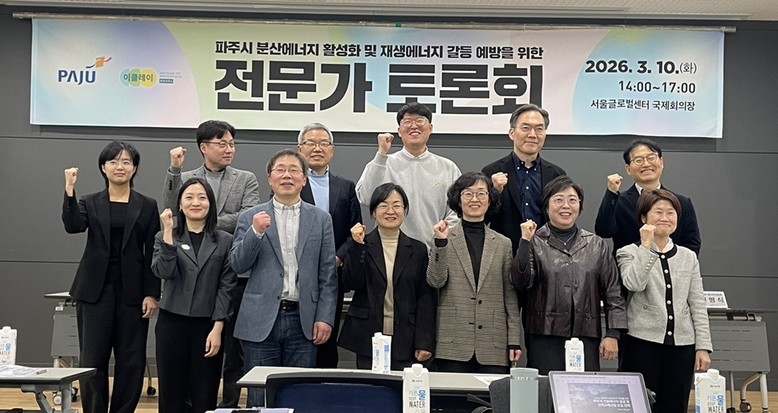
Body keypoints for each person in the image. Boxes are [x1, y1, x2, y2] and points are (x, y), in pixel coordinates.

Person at [162, 120, 260, 407]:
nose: (229, 149)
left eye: (231, 144)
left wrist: (204, 222)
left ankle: (228, 404)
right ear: (204, 147)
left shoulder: (246, 178)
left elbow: (246, 216)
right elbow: (171, 210)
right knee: (184, 367)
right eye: (222, 144)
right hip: (189, 277)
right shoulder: (187, 177)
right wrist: (174, 170)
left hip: (233, 270)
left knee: (232, 350)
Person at [230, 150, 337, 407]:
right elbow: (238, 265)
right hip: (260, 319)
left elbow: (327, 274)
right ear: (270, 178)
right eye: (280, 169)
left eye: (293, 170)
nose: (287, 175)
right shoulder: (251, 217)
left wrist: (324, 317)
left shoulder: (321, 219)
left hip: (303, 319)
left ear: (304, 180)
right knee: (259, 395)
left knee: (299, 394)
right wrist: (255, 232)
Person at [62, 141, 160, 413]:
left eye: (126, 162)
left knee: (131, 360)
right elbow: (73, 226)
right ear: (103, 168)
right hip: (94, 291)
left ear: (134, 168)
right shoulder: (89, 201)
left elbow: (152, 250)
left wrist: (151, 293)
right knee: (92, 359)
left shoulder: (147, 204)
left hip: (133, 293)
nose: (120, 167)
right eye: (114, 161)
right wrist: (69, 190)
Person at [510, 176, 627, 375]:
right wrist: (524, 242)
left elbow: (613, 291)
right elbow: (521, 282)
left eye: (572, 200)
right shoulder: (534, 242)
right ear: (547, 206)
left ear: (579, 206)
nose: (566, 205)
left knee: (584, 391)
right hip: (544, 335)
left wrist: (613, 333)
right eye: (558, 200)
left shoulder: (596, 244)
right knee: (547, 390)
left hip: (586, 335)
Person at [616, 189, 712, 413]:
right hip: (641, 343)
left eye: (671, 212)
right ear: (644, 217)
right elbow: (634, 283)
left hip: (682, 346)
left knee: (676, 406)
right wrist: (646, 247)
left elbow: (697, 303)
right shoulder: (628, 252)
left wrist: (703, 347)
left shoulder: (688, 256)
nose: (665, 217)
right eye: (658, 212)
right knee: (640, 405)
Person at [151, 178, 237, 413]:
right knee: (171, 393)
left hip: (207, 325)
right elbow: (164, 271)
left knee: (204, 393)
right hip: (171, 323)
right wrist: (168, 233)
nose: (195, 203)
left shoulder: (225, 240)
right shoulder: (164, 236)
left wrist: (218, 327)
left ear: (211, 204)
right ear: (180, 204)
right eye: (189, 197)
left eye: (202, 197)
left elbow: (226, 287)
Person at [427, 172, 521, 373]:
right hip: (452, 343)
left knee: (493, 394)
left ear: (490, 199)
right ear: (458, 200)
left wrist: (514, 339)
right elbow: (435, 281)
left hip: (493, 344)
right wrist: (440, 243)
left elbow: (510, 295)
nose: (474, 199)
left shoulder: (503, 244)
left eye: (481, 193)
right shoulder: (444, 237)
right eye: (468, 194)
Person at [338, 183, 436, 370]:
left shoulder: (418, 249)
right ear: (374, 212)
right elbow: (351, 283)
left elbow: (425, 298)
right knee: (370, 387)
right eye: (383, 205)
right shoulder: (361, 244)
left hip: (406, 338)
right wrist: (357, 247)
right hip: (367, 337)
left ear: (404, 211)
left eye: (396, 205)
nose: (390, 211)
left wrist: (424, 341)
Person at [296, 122, 362, 368]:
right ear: (300, 149)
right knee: (298, 338)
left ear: (332, 150)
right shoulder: (290, 183)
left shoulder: (346, 186)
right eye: (311, 143)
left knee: (326, 339)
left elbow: (355, 230)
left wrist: (338, 258)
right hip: (297, 274)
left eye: (323, 143)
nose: (317, 148)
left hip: (332, 274)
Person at [355, 102, 461, 248]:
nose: (414, 126)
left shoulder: (448, 167)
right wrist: (381, 154)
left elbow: (459, 210)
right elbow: (366, 198)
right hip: (389, 250)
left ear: (430, 128)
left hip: (434, 249)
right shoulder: (382, 163)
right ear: (399, 131)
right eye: (407, 121)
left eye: (420, 121)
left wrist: (442, 235)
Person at [482, 103, 566, 254]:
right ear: (512, 133)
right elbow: (481, 219)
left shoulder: (556, 175)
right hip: (504, 254)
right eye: (525, 128)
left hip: (547, 255)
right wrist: (495, 192)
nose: (532, 134)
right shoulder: (491, 172)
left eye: (539, 129)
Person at [595, 138, 701, 255]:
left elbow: (691, 244)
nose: (646, 164)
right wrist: (611, 193)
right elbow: (604, 231)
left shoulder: (681, 202)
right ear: (628, 169)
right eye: (638, 160)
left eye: (651, 158)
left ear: (661, 162)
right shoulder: (618, 201)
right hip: (629, 264)